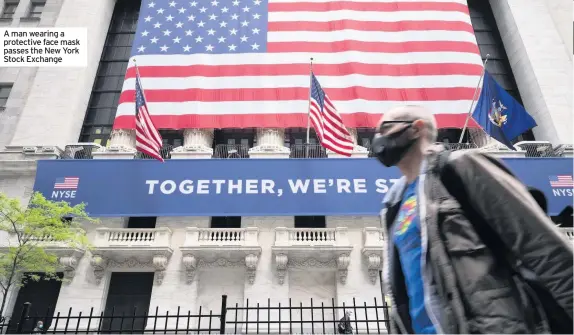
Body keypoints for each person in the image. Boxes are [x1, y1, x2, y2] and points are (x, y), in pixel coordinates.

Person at [371, 105, 573, 334]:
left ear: (416, 129)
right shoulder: (393, 205)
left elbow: (542, 247)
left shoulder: (462, 166)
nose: (379, 139)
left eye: (386, 128)